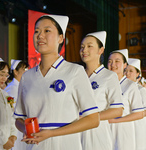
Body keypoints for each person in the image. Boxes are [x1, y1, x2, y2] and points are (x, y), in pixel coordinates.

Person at [14, 14, 100, 150]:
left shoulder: (75, 71)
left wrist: (52, 133)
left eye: (47, 31)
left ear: (61, 38)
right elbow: (19, 119)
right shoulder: (27, 77)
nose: (40, 36)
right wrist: (26, 130)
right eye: (36, 31)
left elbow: (93, 120)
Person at [79, 31, 123, 150]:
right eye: (82, 47)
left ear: (101, 50)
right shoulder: (77, 75)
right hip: (75, 132)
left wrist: (90, 117)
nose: (84, 50)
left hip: (97, 134)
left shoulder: (109, 76)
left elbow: (118, 110)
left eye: (89, 46)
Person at [108, 49, 144, 150]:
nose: (113, 64)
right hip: (106, 132)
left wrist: (114, 121)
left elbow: (139, 114)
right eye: (110, 61)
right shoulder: (105, 84)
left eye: (117, 61)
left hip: (123, 133)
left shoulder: (130, 86)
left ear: (124, 65)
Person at [5, 59, 28, 150]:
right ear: (15, 72)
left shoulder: (22, 86)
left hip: (24, 126)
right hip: (16, 128)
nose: (26, 72)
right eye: (24, 70)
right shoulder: (11, 89)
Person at [125, 58, 146, 150]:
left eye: (131, 71)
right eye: (125, 70)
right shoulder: (120, 88)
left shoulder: (141, 90)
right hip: (125, 127)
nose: (127, 73)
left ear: (137, 74)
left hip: (138, 127)